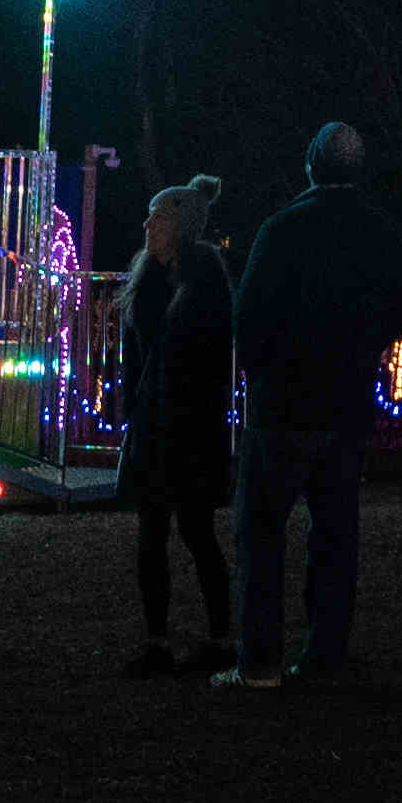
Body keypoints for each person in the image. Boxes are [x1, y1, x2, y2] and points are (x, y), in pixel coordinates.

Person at [216, 118, 402, 692]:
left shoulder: (282, 230)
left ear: (310, 164)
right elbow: (395, 311)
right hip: (346, 407)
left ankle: (260, 664)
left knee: (261, 531)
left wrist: (267, 371)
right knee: (335, 533)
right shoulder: (378, 232)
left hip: (283, 409)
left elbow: (248, 318)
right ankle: (325, 654)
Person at [114, 177, 238, 674]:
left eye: (158, 217)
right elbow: (134, 363)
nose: (147, 225)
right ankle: (158, 641)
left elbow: (207, 364)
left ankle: (218, 637)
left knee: (197, 530)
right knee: (152, 533)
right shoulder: (148, 284)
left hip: (190, 427)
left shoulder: (204, 286)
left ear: (181, 227)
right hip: (155, 423)